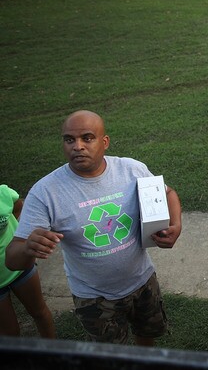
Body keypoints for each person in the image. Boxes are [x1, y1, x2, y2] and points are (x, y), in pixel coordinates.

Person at [5, 110, 182, 346]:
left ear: (104, 142)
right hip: (94, 297)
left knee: (147, 336)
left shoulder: (131, 170)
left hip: (142, 280)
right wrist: (28, 246)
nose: (77, 146)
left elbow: (168, 193)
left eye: (87, 138)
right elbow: (12, 260)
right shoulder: (46, 192)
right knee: (108, 356)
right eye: (69, 139)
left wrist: (176, 225)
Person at [1, 185, 55, 339]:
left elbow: (18, 208)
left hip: (20, 268)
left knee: (39, 312)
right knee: (9, 332)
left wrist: (18, 237)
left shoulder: (3, 193)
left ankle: (52, 353)